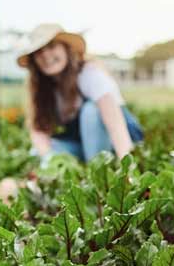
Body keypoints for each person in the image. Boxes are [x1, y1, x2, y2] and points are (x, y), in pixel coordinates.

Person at [19, 23, 144, 165]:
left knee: (91, 110)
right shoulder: (44, 88)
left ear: (66, 48)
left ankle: (97, 169)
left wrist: (127, 165)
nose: (45, 55)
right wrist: (48, 158)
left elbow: (116, 125)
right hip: (85, 144)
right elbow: (39, 130)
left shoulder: (89, 73)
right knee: (37, 152)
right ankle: (84, 165)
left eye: (51, 46)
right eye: (39, 51)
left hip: (119, 142)